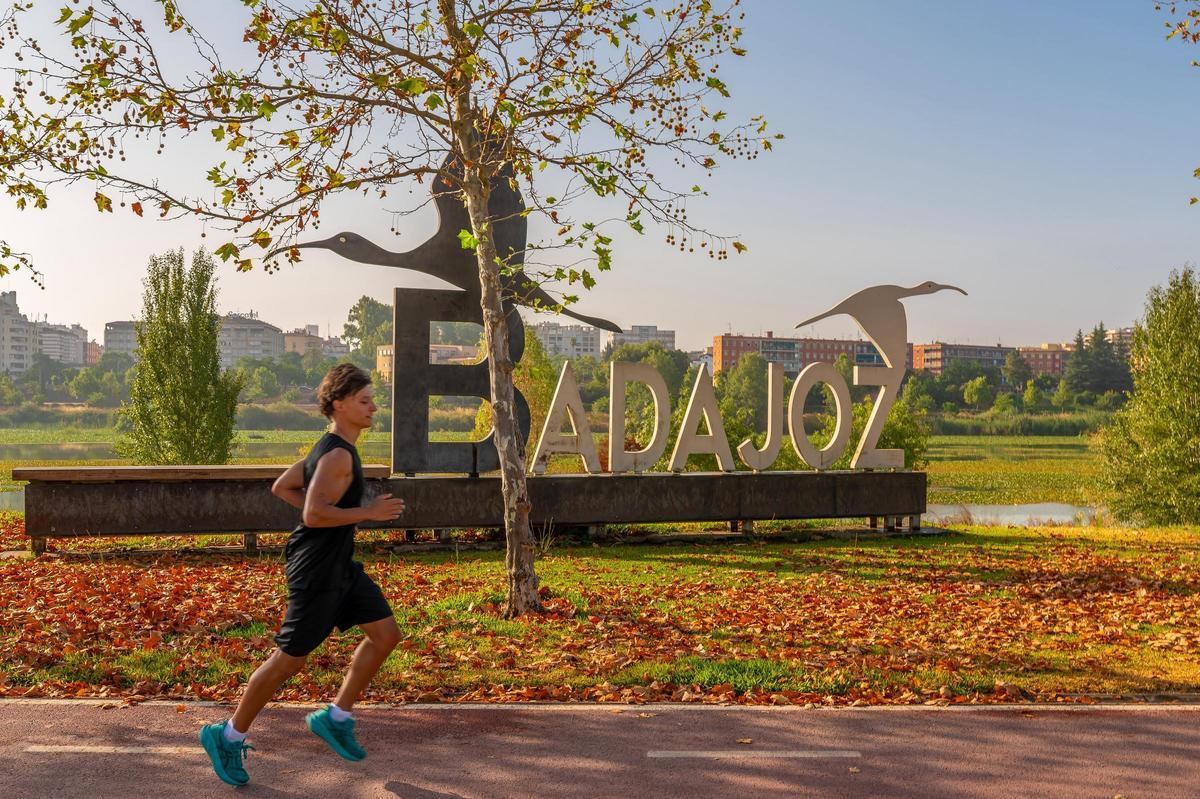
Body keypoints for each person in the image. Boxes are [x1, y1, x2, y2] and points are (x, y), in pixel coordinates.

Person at [200, 363, 405, 786]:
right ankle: (228, 734)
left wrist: (338, 512)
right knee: (287, 661)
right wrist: (366, 512)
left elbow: (283, 486)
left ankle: (337, 717)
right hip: (316, 571)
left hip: (339, 566)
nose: (373, 407)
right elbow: (312, 513)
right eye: (364, 401)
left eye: (372, 400)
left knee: (385, 634)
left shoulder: (330, 448)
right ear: (339, 404)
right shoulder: (335, 455)